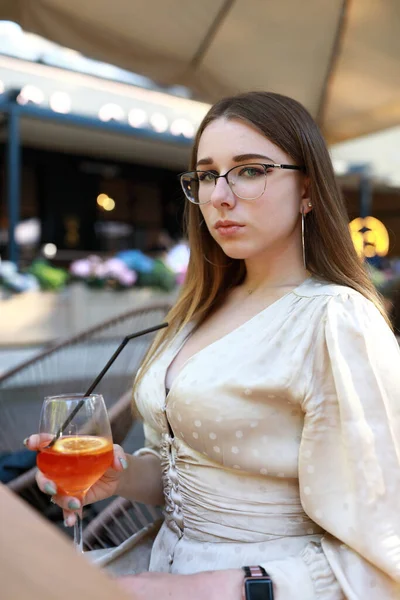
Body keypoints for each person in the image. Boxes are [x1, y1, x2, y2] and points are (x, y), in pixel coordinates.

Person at [26, 91, 400, 599]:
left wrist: (204, 588)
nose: (220, 196)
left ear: (308, 189)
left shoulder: (335, 319)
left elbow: (382, 550)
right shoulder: (200, 308)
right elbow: (196, 471)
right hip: (158, 566)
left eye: (250, 171)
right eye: (206, 175)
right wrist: (121, 475)